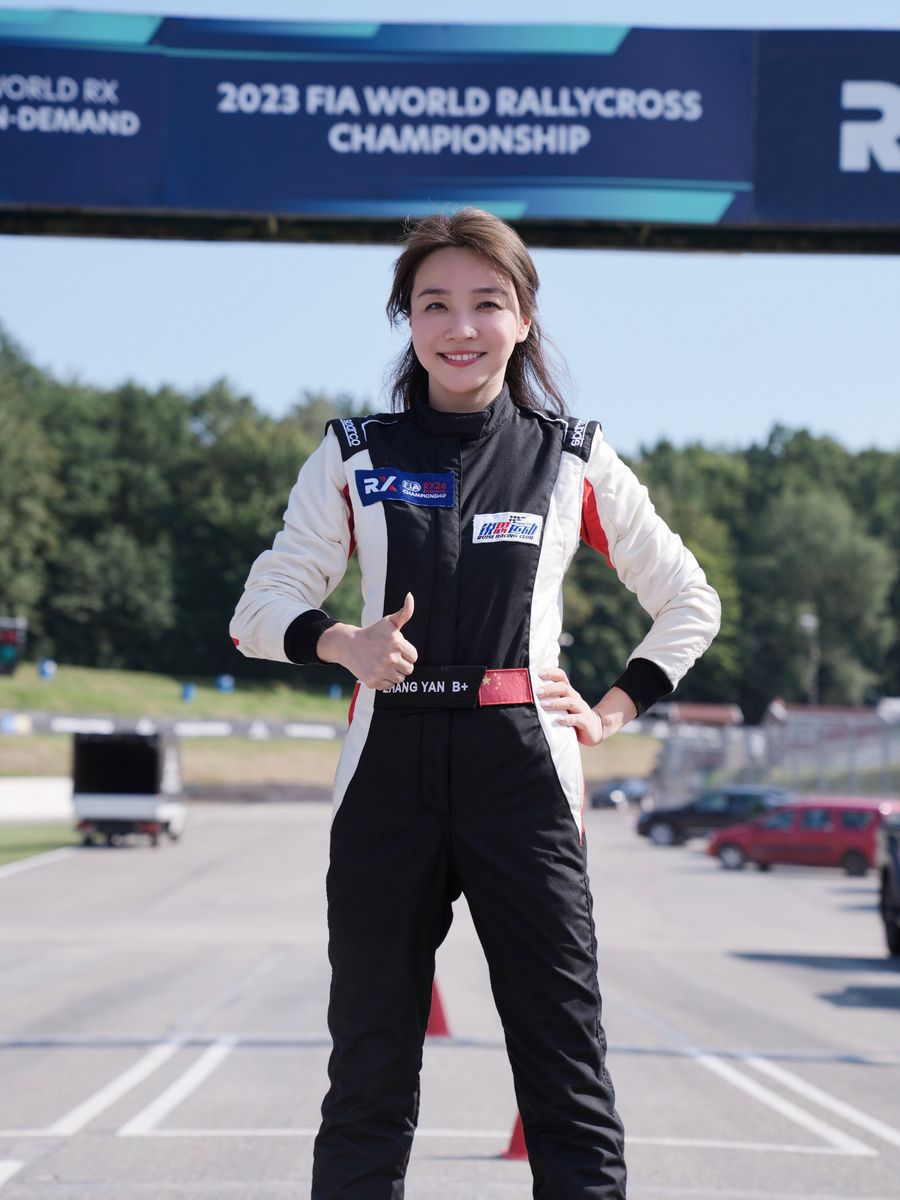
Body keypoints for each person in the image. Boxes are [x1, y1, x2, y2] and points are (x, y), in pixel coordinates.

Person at [230, 208, 720, 1200]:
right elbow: (258, 609)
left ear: (525, 317)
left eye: (486, 303)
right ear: (406, 321)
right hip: (387, 779)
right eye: (434, 304)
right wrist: (344, 642)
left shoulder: (573, 456)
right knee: (367, 1071)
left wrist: (613, 709)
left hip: (524, 777)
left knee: (565, 1069)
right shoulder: (354, 453)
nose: (461, 327)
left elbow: (688, 602)